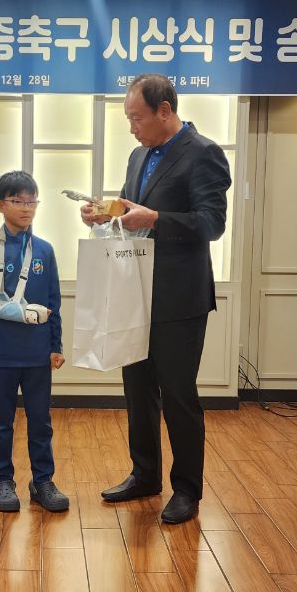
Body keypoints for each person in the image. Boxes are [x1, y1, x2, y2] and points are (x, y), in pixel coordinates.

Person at [81, 74, 231, 525]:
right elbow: (134, 210)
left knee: (179, 396)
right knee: (138, 390)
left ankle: (187, 489)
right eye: (129, 119)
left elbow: (212, 223)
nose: (132, 128)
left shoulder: (203, 153)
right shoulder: (138, 155)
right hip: (136, 293)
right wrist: (105, 211)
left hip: (180, 299)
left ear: (164, 110)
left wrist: (157, 219)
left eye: (137, 118)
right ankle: (144, 475)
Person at [0, 171, 68, 513]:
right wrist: (16, 312)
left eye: (32, 201)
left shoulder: (44, 250)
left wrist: (56, 345)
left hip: (37, 352)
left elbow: (54, 301)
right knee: (1, 421)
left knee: (41, 420)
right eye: (18, 201)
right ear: (0, 205)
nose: (26, 208)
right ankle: (2, 479)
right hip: (0, 351)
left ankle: (43, 481)